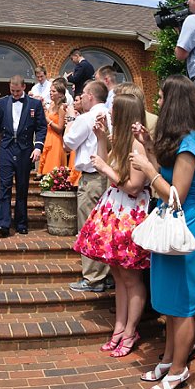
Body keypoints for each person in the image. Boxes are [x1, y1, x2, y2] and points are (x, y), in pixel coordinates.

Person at [131, 75, 195, 389]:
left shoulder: (191, 144)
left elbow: (176, 195)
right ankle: (169, 358)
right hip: (172, 227)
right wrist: (149, 150)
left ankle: (180, 368)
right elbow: (166, 175)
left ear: (175, 104)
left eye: (161, 98)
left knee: (182, 304)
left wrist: (146, 166)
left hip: (186, 228)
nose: (157, 103)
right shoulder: (182, 140)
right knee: (169, 303)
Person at [73, 93, 150, 357]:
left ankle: (130, 330)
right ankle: (119, 327)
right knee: (118, 275)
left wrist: (106, 169)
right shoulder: (122, 141)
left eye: (114, 110)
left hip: (130, 212)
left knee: (131, 277)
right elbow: (103, 161)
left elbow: (134, 186)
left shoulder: (139, 147)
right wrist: (101, 139)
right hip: (115, 208)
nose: (110, 113)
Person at [63, 81, 110, 292]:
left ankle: (93, 277)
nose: (81, 97)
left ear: (91, 96)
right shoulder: (112, 114)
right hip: (110, 177)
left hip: (92, 178)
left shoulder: (86, 117)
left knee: (88, 226)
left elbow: (68, 143)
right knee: (104, 226)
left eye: (83, 94)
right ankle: (107, 273)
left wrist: (71, 118)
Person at [0, 75, 47, 237]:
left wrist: (38, 147)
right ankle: (3, 224)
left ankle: (21, 223)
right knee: (4, 186)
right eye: (12, 91)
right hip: (6, 148)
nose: (14, 94)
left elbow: (41, 128)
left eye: (17, 91)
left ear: (24, 88)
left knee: (22, 187)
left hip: (25, 150)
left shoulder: (35, 104)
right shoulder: (1, 103)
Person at [38, 80, 68, 175]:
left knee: (52, 169)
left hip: (55, 140)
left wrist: (47, 120)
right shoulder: (50, 105)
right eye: (50, 91)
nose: (51, 93)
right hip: (47, 137)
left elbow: (60, 128)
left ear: (61, 94)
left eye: (54, 91)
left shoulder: (61, 108)